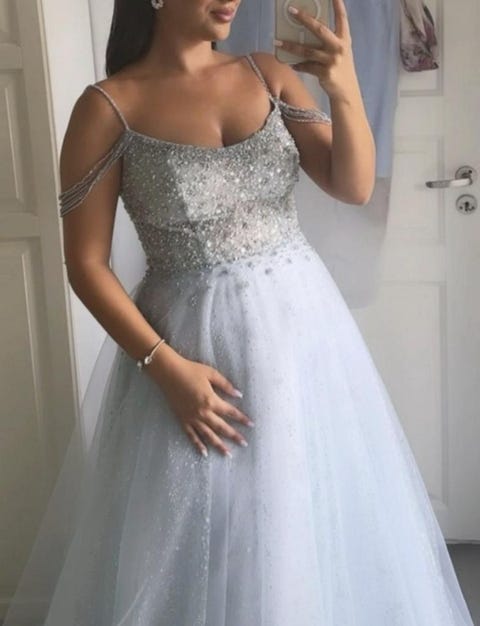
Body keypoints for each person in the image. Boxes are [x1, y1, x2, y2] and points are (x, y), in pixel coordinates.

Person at [4, 0, 474, 624]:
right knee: (207, 538)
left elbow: (353, 186)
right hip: (189, 353)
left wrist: (343, 87)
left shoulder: (266, 74)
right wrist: (166, 369)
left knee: (304, 515)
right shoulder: (108, 107)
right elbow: (86, 265)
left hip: (303, 337)